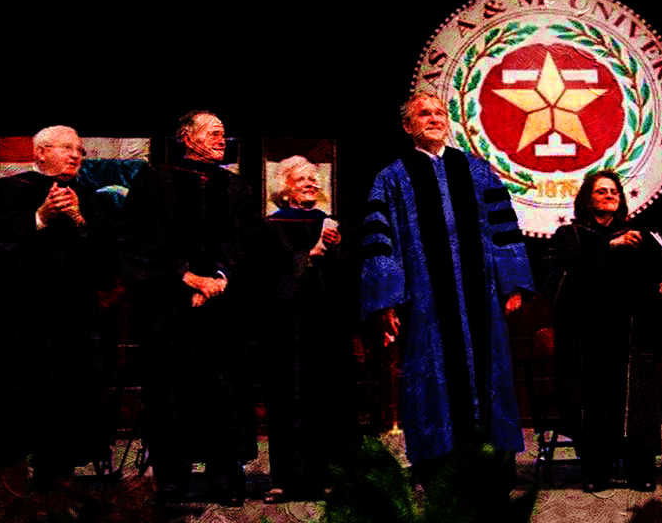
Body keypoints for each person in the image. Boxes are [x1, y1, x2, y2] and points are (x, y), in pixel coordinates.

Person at [360, 92, 534, 516]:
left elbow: (504, 228)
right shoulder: (391, 178)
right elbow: (381, 242)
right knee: (430, 381)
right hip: (426, 305)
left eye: (439, 112)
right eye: (424, 113)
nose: (434, 118)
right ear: (408, 126)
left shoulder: (477, 171)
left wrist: (512, 284)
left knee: (491, 379)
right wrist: (387, 300)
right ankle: (438, 476)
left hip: (482, 302)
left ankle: (493, 474)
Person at [120, 111, 259, 504]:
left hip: (224, 310)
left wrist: (220, 277)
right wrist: (186, 277)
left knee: (226, 394)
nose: (221, 138)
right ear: (186, 136)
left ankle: (225, 477)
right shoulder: (153, 181)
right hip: (169, 309)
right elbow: (136, 242)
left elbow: (248, 243)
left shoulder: (236, 187)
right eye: (212, 132)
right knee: (170, 394)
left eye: (223, 133)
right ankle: (172, 479)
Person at [0, 125, 111, 489]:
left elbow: (108, 263)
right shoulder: (2, 191)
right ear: (40, 153)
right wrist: (39, 219)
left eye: (80, 149)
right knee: (12, 402)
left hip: (72, 322)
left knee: (65, 404)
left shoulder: (91, 198)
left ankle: (58, 478)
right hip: (15, 320)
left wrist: (80, 221)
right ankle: (6, 479)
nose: (76, 155)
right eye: (67, 148)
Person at [546, 170, 662, 491]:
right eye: (601, 191)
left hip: (633, 332)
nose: (609, 195)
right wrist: (608, 246)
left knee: (638, 403)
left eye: (614, 192)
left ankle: (640, 470)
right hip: (588, 334)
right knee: (594, 402)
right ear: (587, 199)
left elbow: (651, 282)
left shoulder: (638, 236)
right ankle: (596, 471)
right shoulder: (570, 235)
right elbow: (563, 280)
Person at [260, 155, 353, 501]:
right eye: (302, 179)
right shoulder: (271, 226)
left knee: (325, 396)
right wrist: (311, 253)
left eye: (314, 178)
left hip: (325, 323)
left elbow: (343, 276)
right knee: (287, 397)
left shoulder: (329, 222)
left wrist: (337, 248)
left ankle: (325, 476)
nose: (311, 183)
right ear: (285, 188)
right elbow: (271, 275)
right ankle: (284, 479)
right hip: (286, 325)